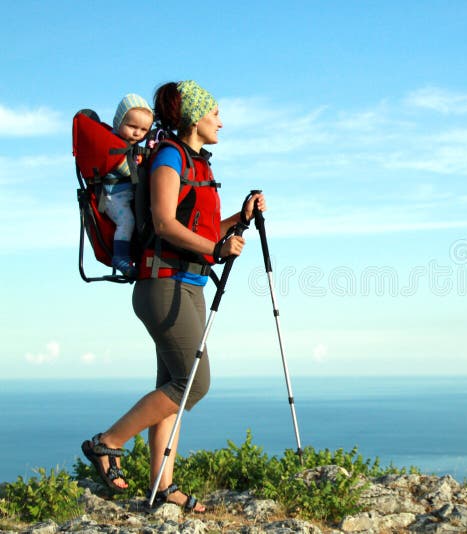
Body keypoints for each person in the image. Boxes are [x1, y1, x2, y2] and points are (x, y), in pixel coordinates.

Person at [81, 80, 266, 513]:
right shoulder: (169, 156)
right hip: (164, 286)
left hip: (188, 286)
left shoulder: (196, 162)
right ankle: (107, 442)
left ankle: (162, 488)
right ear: (193, 116)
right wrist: (216, 250)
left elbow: (198, 233)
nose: (221, 120)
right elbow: (164, 224)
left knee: (172, 389)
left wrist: (241, 218)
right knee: (193, 384)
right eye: (215, 112)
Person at [103, 94, 154, 277]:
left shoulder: (129, 146)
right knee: (127, 222)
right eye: (132, 126)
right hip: (113, 197)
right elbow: (122, 167)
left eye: (143, 130)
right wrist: (140, 169)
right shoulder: (112, 143)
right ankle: (120, 256)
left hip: (125, 195)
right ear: (118, 122)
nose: (137, 133)